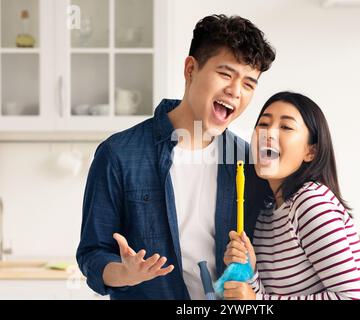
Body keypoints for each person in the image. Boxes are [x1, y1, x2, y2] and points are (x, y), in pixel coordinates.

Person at [76, 14, 275, 300]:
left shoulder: (247, 160)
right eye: (226, 74)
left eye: (249, 84)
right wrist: (125, 273)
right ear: (191, 69)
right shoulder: (118, 154)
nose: (235, 91)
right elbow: (92, 254)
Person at [222, 91, 360, 300]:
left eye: (286, 127)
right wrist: (251, 272)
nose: (268, 133)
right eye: (263, 124)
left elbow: (353, 298)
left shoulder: (311, 202)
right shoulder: (267, 213)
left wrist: (257, 300)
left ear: (310, 151)